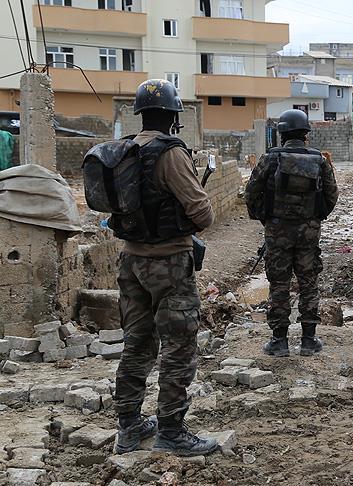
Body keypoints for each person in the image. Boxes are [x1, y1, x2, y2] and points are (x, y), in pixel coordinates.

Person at [112, 79, 217, 456]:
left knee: (136, 344)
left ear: (140, 114)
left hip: (131, 261)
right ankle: (171, 431)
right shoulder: (171, 153)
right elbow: (202, 213)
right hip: (169, 263)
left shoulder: (125, 149)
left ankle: (128, 427)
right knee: (177, 346)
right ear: (174, 115)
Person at [245, 109, 338, 357]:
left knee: (279, 284)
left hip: (277, 231)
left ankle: (279, 341)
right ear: (306, 134)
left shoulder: (270, 159)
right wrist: (315, 218)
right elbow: (331, 196)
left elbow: (251, 193)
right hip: (309, 233)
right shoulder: (320, 161)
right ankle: (309, 340)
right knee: (309, 284)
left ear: (282, 134)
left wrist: (265, 218)